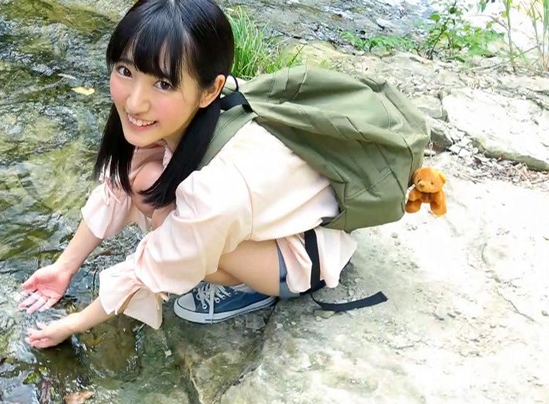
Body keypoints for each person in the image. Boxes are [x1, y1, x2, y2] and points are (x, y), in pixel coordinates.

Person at [18, 0, 356, 349]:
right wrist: (64, 268)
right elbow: (118, 186)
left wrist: (72, 324)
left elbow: (157, 263)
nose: (135, 103)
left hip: (303, 255)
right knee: (145, 182)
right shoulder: (185, 111)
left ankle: (248, 291)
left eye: (163, 84)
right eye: (125, 71)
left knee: (174, 225)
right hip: (273, 217)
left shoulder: (220, 187)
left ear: (211, 90)